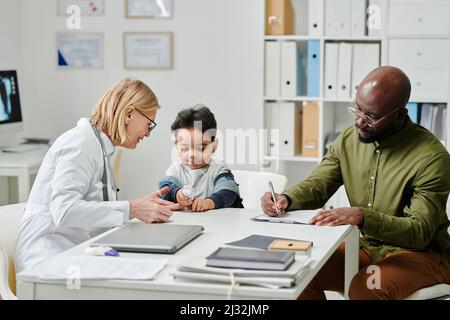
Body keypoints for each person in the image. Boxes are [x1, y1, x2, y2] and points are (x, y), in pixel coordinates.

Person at [261, 66, 450, 300]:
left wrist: (363, 217)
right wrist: (286, 198)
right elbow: (319, 183)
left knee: (366, 288)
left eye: (371, 116)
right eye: (357, 109)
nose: (360, 121)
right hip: (367, 248)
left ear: (400, 115)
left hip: (422, 255)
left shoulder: (431, 157)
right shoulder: (350, 138)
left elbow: (419, 231)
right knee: (298, 270)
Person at [15, 77, 181, 272]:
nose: (148, 133)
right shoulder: (81, 143)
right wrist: (131, 209)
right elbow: (65, 211)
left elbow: (93, 213)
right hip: (46, 259)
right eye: (149, 124)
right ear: (129, 114)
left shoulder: (99, 147)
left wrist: (138, 208)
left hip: (71, 253)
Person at [158, 105, 243, 212]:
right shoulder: (176, 169)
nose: (192, 154)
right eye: (185, 148)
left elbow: (228, 192)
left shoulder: (218, 168)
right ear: (176, 145)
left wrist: (208, 203)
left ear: (214, 146)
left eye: (201, 148)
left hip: (218, 224)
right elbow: (165, 188)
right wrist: (177, 194)